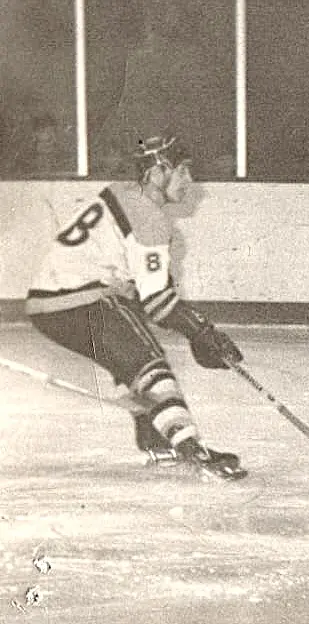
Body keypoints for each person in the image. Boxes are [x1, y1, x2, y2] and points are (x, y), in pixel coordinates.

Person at [24, 135, 247, 480]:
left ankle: (157, 437)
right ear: (158, 172)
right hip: (84, 298)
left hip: (47, 306)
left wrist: (194, 330)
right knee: (149, 363)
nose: (190, 182)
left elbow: (143, 289)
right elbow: (157, 303)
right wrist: (201, 331)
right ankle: (191, 447)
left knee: (133, 361)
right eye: (183, 171)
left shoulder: (121, 192)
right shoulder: (150, 217)